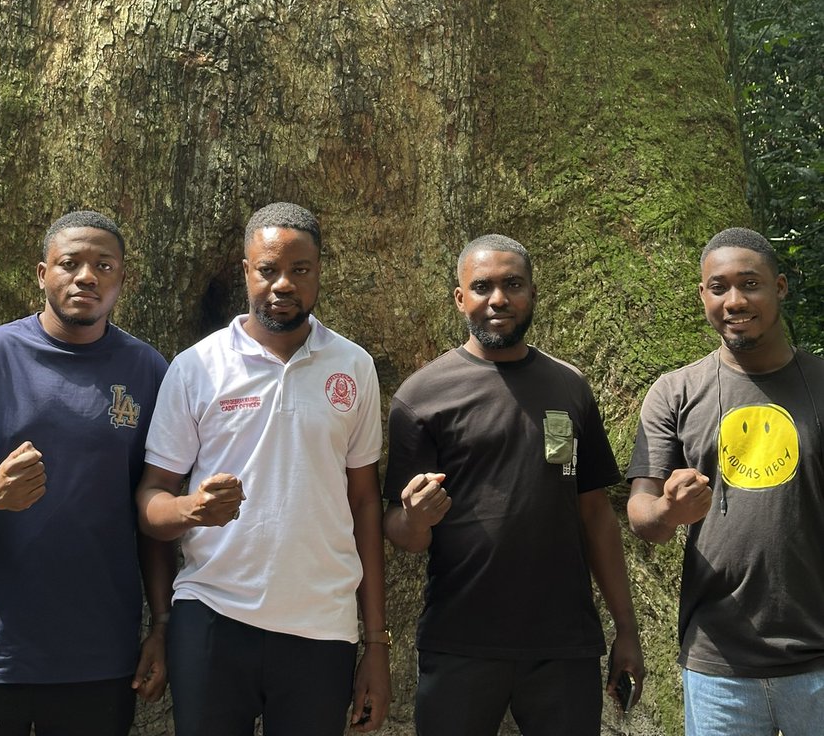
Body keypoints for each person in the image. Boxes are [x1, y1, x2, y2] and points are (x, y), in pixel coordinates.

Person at [136, 201, 390, 736]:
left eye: (300, 270)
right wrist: (191, 509)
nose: (283, 284)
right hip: (212, 614)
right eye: (268, 270)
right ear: (246, 271)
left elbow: (366, 502)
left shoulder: (353, 366)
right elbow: (151, 500)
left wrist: (376, 644)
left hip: (322, 625)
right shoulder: (196, 367)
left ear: (319, 273)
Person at [0, 209, 174, 736]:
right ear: (43, 274)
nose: (87, 276)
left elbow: (153, 510)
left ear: (121, 280)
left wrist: (163, 625)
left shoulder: (148, 371)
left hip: (97, 659)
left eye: (104, 265)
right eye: (70, 263)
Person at [383, 233, 644, 736]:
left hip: (564, 646)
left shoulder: (570, 387)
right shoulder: (422, 397)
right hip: (460, 641)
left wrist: (626, 631)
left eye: (512, 284)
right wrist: (415, 517)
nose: (497, 299)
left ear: (532, 293)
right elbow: (402, 533)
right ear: (460, 298)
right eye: (481, 287)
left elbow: (596, 516)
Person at [627, 226, 824, 735]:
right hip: (719, 662)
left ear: (779, 287)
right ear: (702, 296)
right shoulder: (674, 392)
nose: (734, 300)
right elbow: (641, 513)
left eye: (750, 284)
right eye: (718, 288)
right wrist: (669, 512)